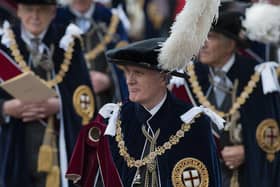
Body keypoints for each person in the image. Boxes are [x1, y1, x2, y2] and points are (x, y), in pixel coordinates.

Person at [171, 10, 280, 187]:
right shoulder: (186, 79)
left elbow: (272, 135)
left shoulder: (260, 76)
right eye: (201, 37)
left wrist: (249, 151)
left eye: (211, 37)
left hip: (248, 178)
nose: (203, 44)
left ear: (230, 44)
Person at [0, 0, 95, 187]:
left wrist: (59, 105)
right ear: (19, 11)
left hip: (59, 150)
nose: (35, 16)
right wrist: (5, 108)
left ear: (53, 12)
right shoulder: (4, 45)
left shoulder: (68, 43)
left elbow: (87, 99)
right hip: (14, 148)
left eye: (41, 10)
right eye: (29, 9)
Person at [54, 0, 129, 109]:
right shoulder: (56, 20)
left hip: (104, 104)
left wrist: (109, 80)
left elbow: (124, 65)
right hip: (69, 104)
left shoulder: (111, 20)